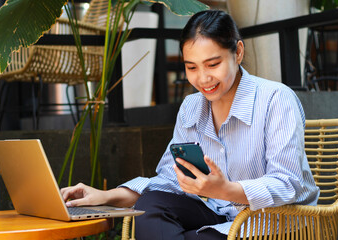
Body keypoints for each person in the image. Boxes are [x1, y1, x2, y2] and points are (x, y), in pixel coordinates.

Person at [61, 10, 319, 239]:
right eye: (191, 67)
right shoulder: (191, 107)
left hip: (270, 223)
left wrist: (227, 190)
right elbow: (172, 180)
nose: (203, 78)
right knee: (151, 208)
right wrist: (107, 197)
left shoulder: (275, 99)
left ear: (238, 52)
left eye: (213, 64)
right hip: (216, 214)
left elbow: (288, 184)